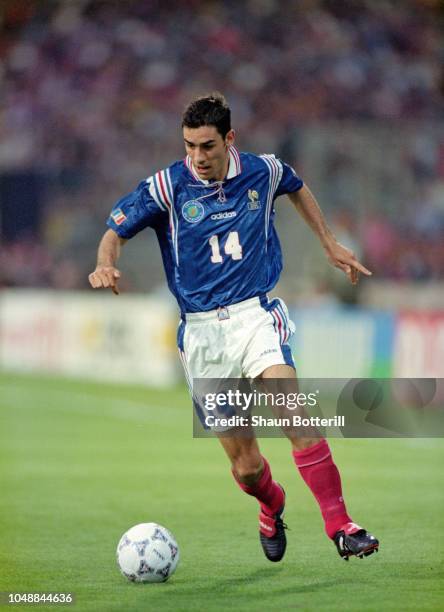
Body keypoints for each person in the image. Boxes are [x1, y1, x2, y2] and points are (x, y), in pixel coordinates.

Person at [89, 93, 379, 563]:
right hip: (203, 336)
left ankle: (341, 525)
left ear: (229, 138)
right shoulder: (167, 186)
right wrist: (105, 264)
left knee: (294, 412)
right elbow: (114, 232)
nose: (198, 157)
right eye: (190, 146)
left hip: (255, 317)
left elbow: (296, 185)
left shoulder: (262, 171)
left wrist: (328, 243)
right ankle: (271, 503)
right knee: (246, 468)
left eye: (207, 146)